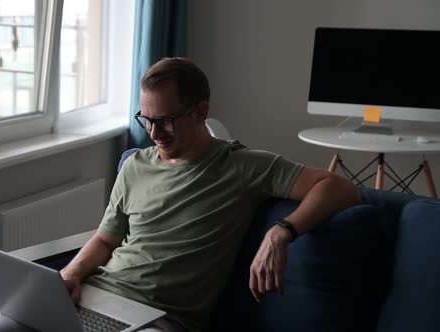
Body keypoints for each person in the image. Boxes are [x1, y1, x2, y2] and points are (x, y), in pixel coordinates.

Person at [60, 57, 362, 332]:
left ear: (201, 111)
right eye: (146, 120)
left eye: (165, 121)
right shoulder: (135, 167)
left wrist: (281, 232)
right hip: (97, 297)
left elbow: (339, 187)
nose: (153, 134)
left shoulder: (242, 166)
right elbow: (105, 240)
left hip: (161, 319)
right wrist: (70, 274)